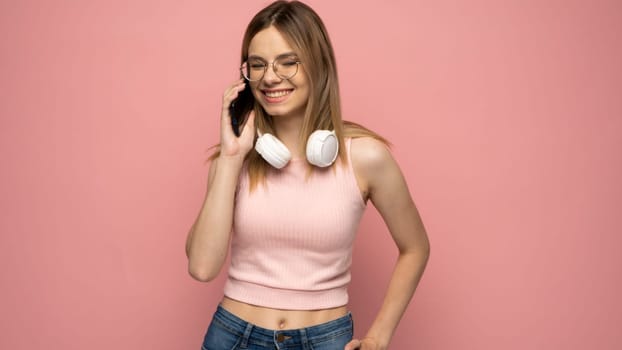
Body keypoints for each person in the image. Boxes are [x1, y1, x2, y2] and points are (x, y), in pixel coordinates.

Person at [185, 1, 430, 349]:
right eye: (258, 65)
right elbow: (203, 268)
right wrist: (230, 158)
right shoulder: (232, 159)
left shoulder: (365, 156)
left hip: (325, 338)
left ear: (318, 66)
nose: (270, 77)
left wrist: (380, 335)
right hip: (233, 336)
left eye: (288, 63)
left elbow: (416, 247)